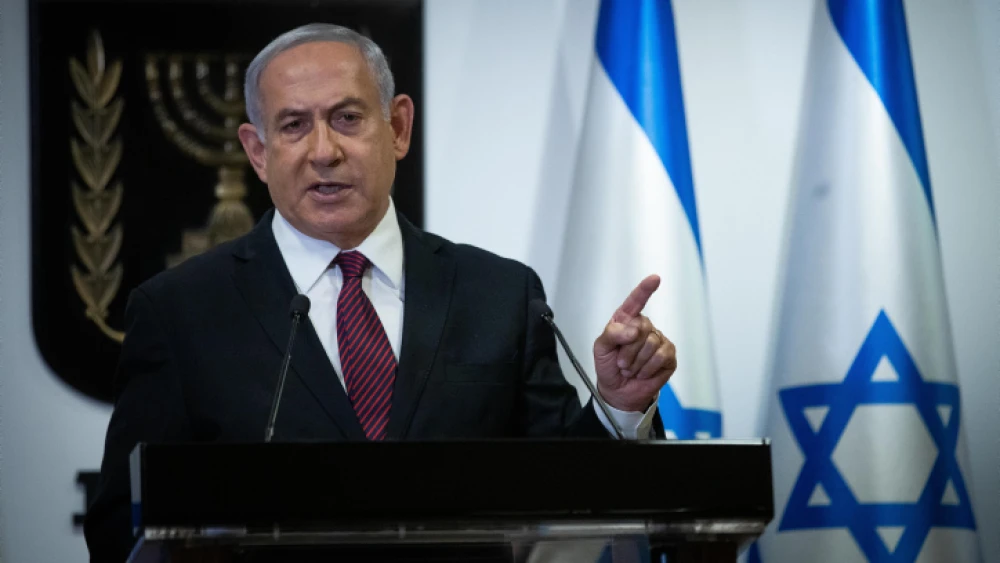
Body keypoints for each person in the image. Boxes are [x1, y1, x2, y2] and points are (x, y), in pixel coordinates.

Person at [83, 23, 678, 562]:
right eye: (293, 126)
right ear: (257, 152)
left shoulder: (499, 294)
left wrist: (618, 405)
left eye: (347, 118)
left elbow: (565, 492)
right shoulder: (180, 311)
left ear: (397, 127)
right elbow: (120, 525)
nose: (324, 151)